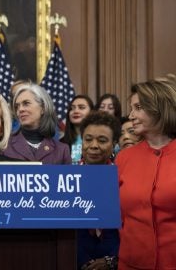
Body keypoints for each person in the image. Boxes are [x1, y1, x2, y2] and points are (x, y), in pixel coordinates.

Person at [115, 77, 176, 269]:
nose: (131, 115)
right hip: (131, 262)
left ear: (160, 109)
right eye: (131, 108)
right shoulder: (124, 158)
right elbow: (118, 214)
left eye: (138, 107)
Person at [77, 111, 120, 269]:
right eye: (88, 139)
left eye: (102, 140)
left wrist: (112, 261)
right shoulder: (67, 179)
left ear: (114, 143)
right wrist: (83, 261)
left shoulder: (122, 179)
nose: (94, 145)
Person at [3, 84, 71, 164]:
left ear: (43, 108)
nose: (20, 109)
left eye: (26, 103)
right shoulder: (5, 146)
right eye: (17, 106)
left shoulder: (62, 150)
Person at [60, 95, 94, 164]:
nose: (75, 111)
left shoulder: (98, 141)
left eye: (81, 107)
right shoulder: (61, 143)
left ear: (92, 112)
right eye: (72, 108)